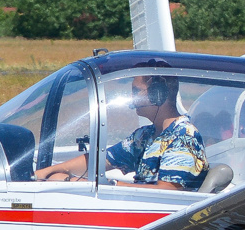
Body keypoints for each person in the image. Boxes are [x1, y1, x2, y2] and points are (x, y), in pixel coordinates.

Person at [34, 75, 208, 190]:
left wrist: (112, 185)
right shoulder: (144, 136)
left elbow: (168, 191)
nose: (132, 99)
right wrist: (46, 172)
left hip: (160, 226)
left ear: (158, 94)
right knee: (58, 177)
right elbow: (102, 160)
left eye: (136, 92)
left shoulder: (184, 136)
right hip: (141, 214)